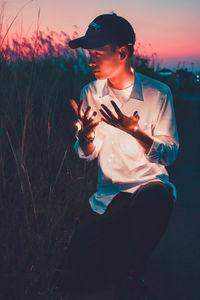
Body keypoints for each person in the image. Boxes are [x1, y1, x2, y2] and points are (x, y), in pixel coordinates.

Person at [63, 13, 179, 298]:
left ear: (123, 52)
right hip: (109, 195)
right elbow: (89, 154)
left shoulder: (157, 93)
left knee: (157, 197)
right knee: (77, 272)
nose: (90, 61)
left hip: (147, 189)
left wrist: (137, 132)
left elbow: (170, 155)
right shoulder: (90, 92)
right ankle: (117, 253)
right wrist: (85, 136)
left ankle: (133, 273)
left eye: (97, 54)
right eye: (89, 54)